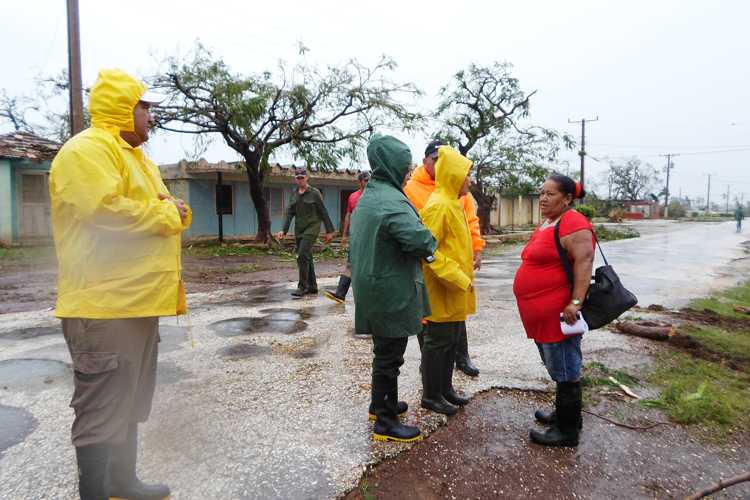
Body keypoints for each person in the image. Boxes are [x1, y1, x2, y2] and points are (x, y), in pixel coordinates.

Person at [49, 69, 192, 500]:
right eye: (144, 106)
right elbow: (106, 212)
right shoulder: (86, 151)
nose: (150, 116)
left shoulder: (136, 158)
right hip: (102, 308)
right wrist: (169, 215)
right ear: (121, 107)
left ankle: (122, 482)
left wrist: (171, 209)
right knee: (99, 408)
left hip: (136, 303)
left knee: (128, 400)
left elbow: (163, 204)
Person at [350, 133, 438, 442]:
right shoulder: (391, 201)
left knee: (384, 351)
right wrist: (431, 244)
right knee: (390, 355)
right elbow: (420, 239)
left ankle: (380, 404)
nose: (408, 171)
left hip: (375, 284)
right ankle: (386, 423)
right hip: (389, 289)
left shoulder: (373, 194)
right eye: (405, 165)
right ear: (392, 165)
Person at [512, 174, 594, 447]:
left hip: (560, 315)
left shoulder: (574, 223)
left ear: (568, 198)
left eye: (550, 194)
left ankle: (567, 430)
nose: (543, 198)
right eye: (541, 193)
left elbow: (584, 263)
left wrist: (576, 302)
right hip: (542, 316)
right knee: (557, 365)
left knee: (566, 367)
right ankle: (564, 414)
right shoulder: (551, 222)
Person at [405, 140, 485, 377]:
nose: (439, 165)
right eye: (435, 160)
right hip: (437, 272)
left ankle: (457, 362)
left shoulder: (458, 195)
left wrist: (477, 248)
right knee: (433, 328)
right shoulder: (414, 190)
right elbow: (425, 245)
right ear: (425, 160)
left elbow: (471, 221)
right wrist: (451, 271)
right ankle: (432, 377)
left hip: (454, 273)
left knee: (453, 323)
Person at [418, 145, 475, 416]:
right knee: (437, 343)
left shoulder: (453, 201)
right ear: (453, 174)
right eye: (467, 174)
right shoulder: (439, 205)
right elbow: (427, 250)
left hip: (455, 289)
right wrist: (457, 277)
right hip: (442, 288)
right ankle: (431, 395)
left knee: (450, 341)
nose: (470, 180)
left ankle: (446, 389)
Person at [276, 168, 335, 297]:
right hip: (299, 229)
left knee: (302, 255)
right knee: (307, 256)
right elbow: (290, 213)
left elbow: (323, 211)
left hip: (312, 228)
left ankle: (302, 286)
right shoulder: (294, 194)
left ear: (307, 178)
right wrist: (283, 230)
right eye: (298, 178)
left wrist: (329, 231)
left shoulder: (314, 193)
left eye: (302, 177)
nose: (300, 180)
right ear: (295, 179)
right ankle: (312, 286)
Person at [324, 171, 370, 303]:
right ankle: (340, 293)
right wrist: (344, 234)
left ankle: (367, 296)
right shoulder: (353, 197)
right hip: (356, 236)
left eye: (369, 181)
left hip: (370, 237)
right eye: (365, 181)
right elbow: (348, 215)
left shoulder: (375, 196)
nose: (368, 183)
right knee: (350, 264)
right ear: (360, 182)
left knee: (368, 266)